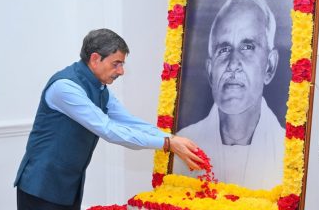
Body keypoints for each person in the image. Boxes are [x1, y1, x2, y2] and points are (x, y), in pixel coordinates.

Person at [14, 28, 203, 210]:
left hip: (68, 187)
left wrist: (171, 138)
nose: (121, 71)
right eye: (116, 64)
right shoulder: (65, 87)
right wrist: (167, 143)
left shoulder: (101, 88)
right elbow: (109, 130)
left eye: (122, 64)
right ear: (95, 59)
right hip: (41, 186)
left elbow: (128, 121)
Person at [173, 0, 285, 190]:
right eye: (223, 49)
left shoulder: (289, 150)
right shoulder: (184, 143)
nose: (233, 64)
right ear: (210, 71)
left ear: (269, 66)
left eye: (247, 47)